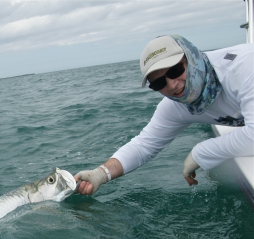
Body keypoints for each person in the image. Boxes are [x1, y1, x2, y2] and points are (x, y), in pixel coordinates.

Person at [75, 35, 254, 195]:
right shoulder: (176, 105)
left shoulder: (244, 68)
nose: (172, 85)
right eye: (159, 83)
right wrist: (100, 174)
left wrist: (200, 153)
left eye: (175, 71)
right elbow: (143, 145)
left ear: (191, 57)